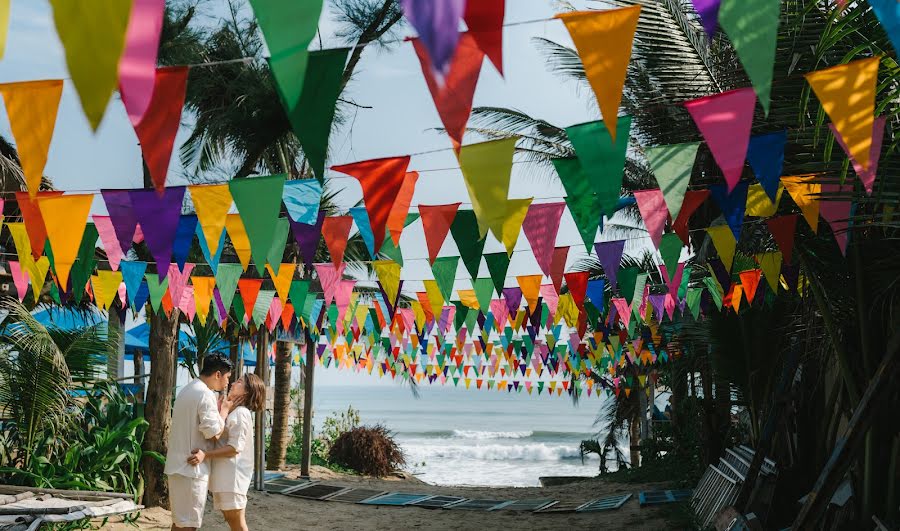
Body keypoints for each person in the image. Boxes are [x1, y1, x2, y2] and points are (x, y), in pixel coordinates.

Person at [188, 373, 266, 531]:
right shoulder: (232, 411)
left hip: (233, 478)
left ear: (246, 392)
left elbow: (234, 448)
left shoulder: (241, 413)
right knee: (233, 521)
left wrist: (205, 455)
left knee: (237, 523)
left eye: (239, 382)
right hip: (226, 477)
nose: (232, 383)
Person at [165, 354, 233, 531]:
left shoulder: (188, 389)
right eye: (227, 377)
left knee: (180, 522)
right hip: (191, 470)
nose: (227, 383)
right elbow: (214, 434)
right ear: (217, 374)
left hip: (178, 466)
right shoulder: (205, 394)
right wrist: (224, 412)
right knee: (188, 525)